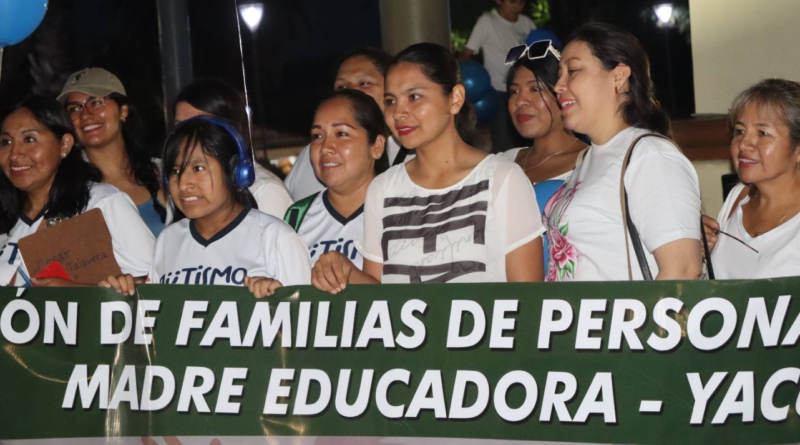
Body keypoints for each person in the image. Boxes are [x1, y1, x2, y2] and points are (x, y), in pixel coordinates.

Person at [312, 43, 545, 293]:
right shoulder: (383, 188)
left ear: (454, 99)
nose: (399, 112)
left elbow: (529, 301)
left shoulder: (502, 178)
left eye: (414, 97)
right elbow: (377, 296)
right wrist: (345, 272)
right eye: (391, 101)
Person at [544, 23, 702, 282]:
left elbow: (683, 271)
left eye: (572, 71)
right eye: (559, 74)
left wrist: (640, 324)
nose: (558, 86)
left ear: (619, 76)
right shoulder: (587, 158)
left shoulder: (649, 156)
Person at [100, 117, 311, 298]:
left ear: (235, 171)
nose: (183, 184)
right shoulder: (168, 240)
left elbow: (308, 324)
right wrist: (127, 293)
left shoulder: (276, 238)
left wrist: (275, 302)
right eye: (174, 172)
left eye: (198, 168)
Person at [0, 96, 154, 286]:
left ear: (64, 145)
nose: (15, 154)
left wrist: (75, 291)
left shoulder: (101, 203)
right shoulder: (7, 218)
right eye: (6, 142)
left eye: (29, 139)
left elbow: (155, 283)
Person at [502, 39, 588, 272]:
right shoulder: (502, 163)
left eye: (535, 88)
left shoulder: (593, 163)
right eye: (514, 91)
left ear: (562, 91)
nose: (521, 101)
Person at [284, 48, 414, 201]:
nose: (351, 92)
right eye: (342, 87)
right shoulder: (311, 156)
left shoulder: (414, 154)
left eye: (364, 83)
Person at [703, 79, 800, 279]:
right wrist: (702, 251)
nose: (744, 144)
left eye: (763, 133)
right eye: (739, 131)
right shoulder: (739, 196)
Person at [57, 68, 167, 237]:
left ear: (123, 111)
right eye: (74, 109)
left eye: (96, 103)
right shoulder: (67, 189)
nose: (86, 115)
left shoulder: (163, 171)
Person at [286, 89, 389, 268]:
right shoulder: (297, 215)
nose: (325, 147)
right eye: (317, 136)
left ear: (377, 146)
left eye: (341, 134)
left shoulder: (402, 210)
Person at [173, 78, 293, 220]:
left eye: (199, 126)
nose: (186, 136)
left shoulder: (265, 191)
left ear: (232, 130)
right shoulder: (179, 185)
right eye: (179, 127)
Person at [460, 0, 536, 153]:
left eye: (521, 2)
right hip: (499, 92)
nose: (517, 6)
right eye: (513, 2)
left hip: (527, 91)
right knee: (504, 142)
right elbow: (468, 52)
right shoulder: (487, 21)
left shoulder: (526, 23)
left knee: (529, 140)